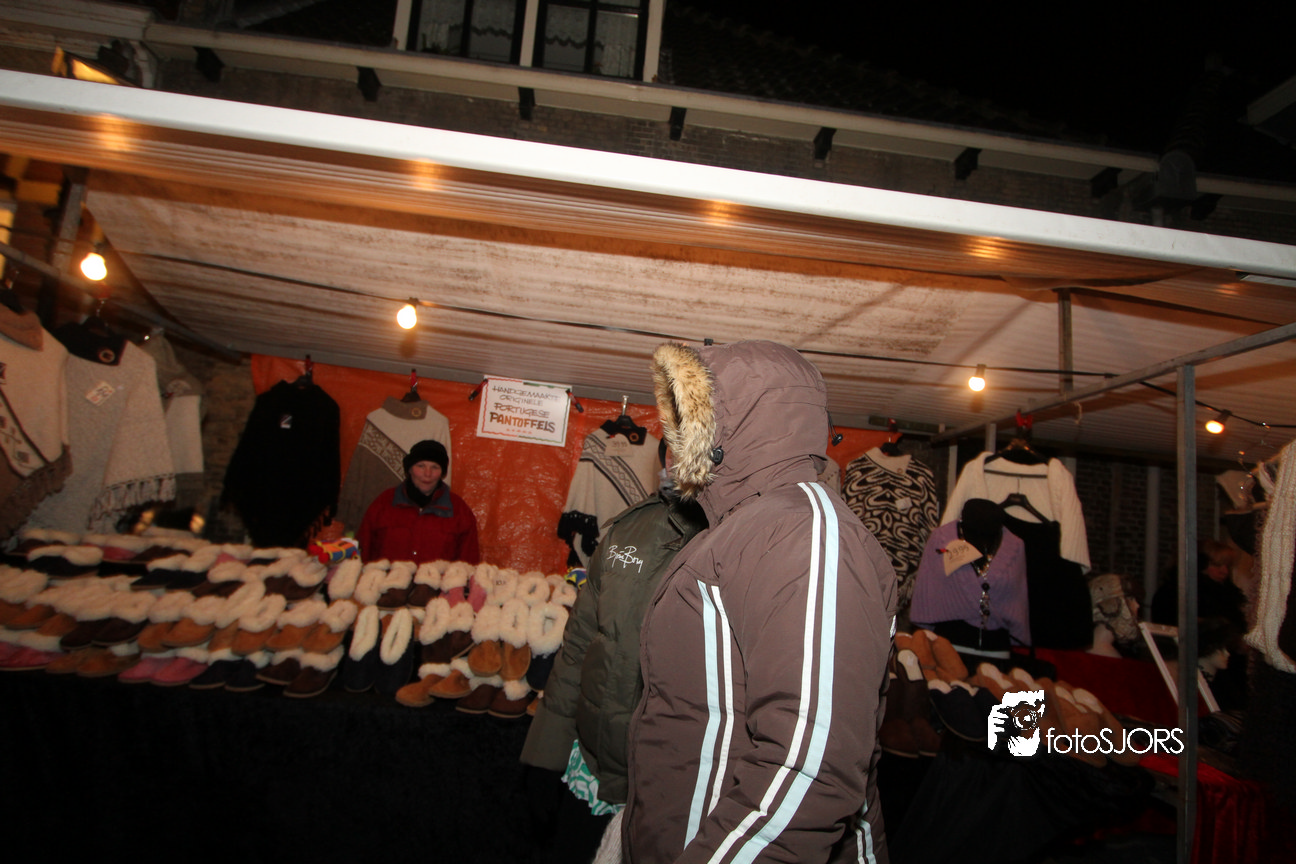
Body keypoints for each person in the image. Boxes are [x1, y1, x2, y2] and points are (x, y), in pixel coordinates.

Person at [621, 340, 897, 864]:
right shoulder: (738, 525)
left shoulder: (801, 532)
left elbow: (809, 768)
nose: (676, 437)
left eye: (694, 418)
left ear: (739, 420)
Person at [521, 439, 707, 863]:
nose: (679, 458)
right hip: (592, 769)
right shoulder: (629, 529)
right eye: (673, 445)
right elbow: (579, 644)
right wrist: (545, 756)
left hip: (672, 792)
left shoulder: (737, 539)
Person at [355, 439, 480, 564]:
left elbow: (468, 564)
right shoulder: (384, 503)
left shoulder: (459, 511)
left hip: (436, 577)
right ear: (409, 469)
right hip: (386, 576)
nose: (427, 474)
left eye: (435, 467)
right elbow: (362, 552)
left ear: (442, 473)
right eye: (421, 466)